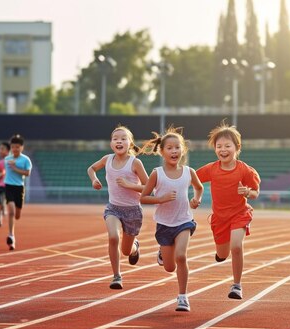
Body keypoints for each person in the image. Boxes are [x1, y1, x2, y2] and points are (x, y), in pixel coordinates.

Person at [140, 127, 203, 312]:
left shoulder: (189, 172)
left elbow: (199, 188)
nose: (174, 151)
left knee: (181, 256)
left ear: (183, 150)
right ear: (162, 151)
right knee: (169, 267)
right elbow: (143, 197)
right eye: (169, 148)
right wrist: (160, 199)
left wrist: (196, 199)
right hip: (164, 224)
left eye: (177, 147)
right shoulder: (156, 173)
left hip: (184, 221)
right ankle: (162, 252)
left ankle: (183, 297)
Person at [196, 123, 260, 300]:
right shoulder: (211, 169)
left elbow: (255, 193)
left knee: (236, 246)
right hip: (219, 218)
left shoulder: (245, 170)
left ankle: (237, 285)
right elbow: (191, 178)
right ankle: (219, 254)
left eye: (227, 146)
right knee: (223, 253)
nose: (223, 150)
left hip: (240, 213)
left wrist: (248, 192)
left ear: (237, 148)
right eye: (219, 146)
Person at [87, 126, 149, 290]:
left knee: (126, 251)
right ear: (111, 143)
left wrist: (130, 185)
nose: (119, 141)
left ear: (130, 143)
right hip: (113, 208)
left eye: (123, 138)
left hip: (133, 211)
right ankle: (117, 276)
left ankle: (135, 247)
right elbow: (91, 168)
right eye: (115, 138)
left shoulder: (135, 162)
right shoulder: (107, 159)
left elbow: (149, 188)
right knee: (113, 237)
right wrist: (94, 179)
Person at [4, 134, 33, 251]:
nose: (15, 149)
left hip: (19, 188)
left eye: (17, 147)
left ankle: (15, 217)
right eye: (13, 147)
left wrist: (15, 168)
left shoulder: (25, 160)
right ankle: (11, 235)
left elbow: (27, 173)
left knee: (17, 215)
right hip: (8, 186)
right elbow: (2, 171)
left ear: (22, 147)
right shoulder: (7, 159)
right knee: (10, 211)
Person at [0, 142, 10, 227]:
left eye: (2, 149)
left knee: (6, 200)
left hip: (10, 185)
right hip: (1, 185)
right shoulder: (0, 163)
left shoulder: (13, 161)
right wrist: (0, 174)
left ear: (8, 151)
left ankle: (4, 207)